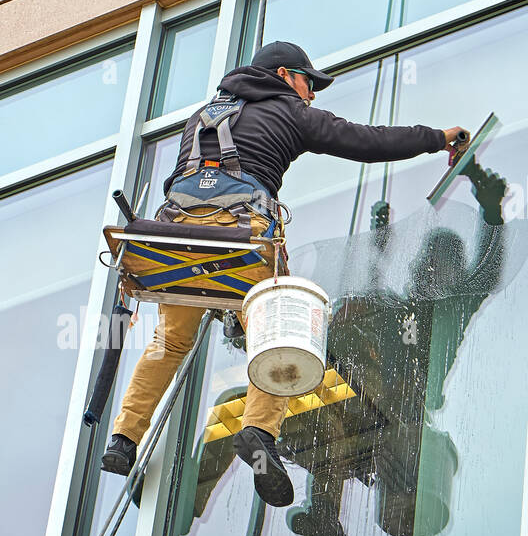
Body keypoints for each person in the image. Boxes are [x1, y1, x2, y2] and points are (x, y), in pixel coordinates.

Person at [100, 39, 468, 508]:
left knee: (170, 343)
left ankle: (123, 440)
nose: (312, 95)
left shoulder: (202, 115)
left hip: (174, 239)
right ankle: (258, 433)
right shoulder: (291, 113)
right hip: (241, 237)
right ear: (282, 77)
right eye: (307, 82)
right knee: (277, 336)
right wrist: (437, 137)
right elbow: (366, 141)